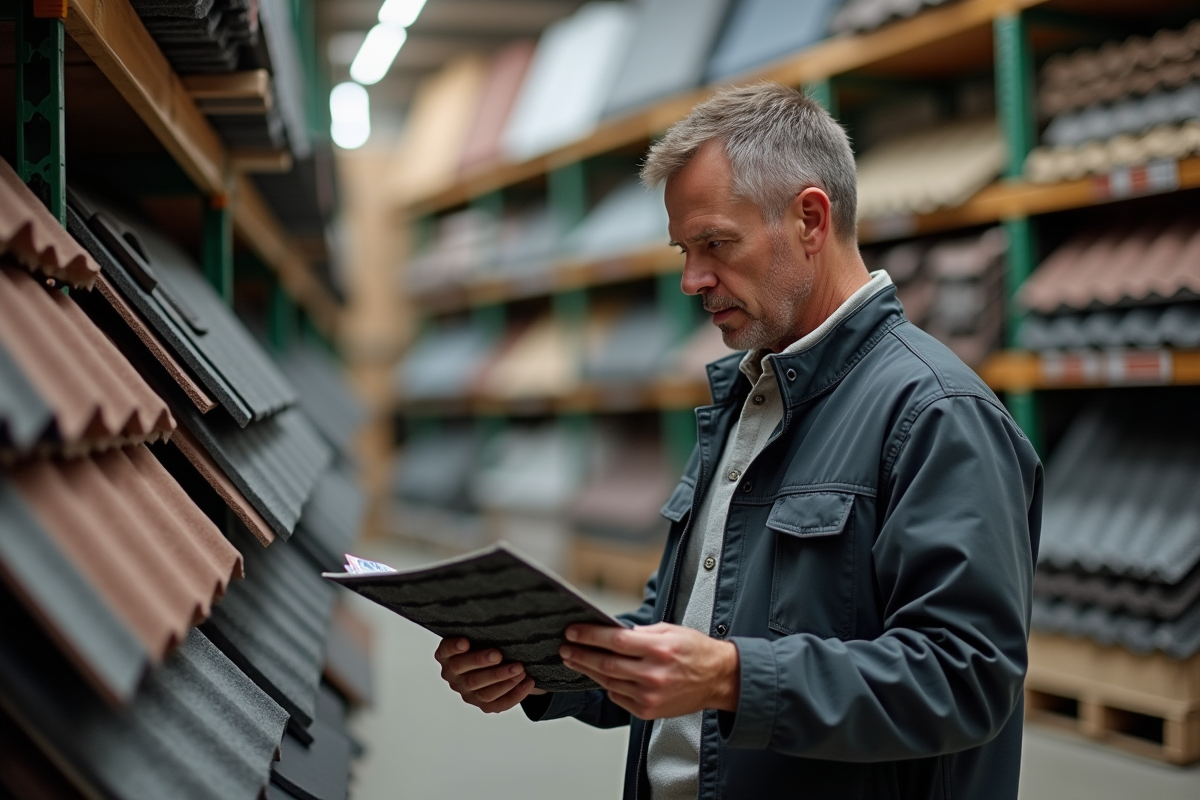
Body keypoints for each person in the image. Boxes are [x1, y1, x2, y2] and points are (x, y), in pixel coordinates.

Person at [433, 82, 1043, 800]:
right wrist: (545, 665)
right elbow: (680, 628)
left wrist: (731, 677)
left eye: (716, 243)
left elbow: (965, 677)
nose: (692, 279)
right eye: (684, 250)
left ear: (810, 219)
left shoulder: (936, 413)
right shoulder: (749, 401)